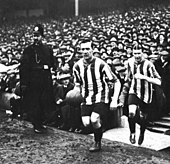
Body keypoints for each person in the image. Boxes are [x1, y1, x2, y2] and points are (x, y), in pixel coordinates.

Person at [73, 39, 121, 152]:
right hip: (86, 98)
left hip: (101, 96)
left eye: (87, 49)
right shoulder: (77, 66)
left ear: (92, 50)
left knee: (94, 119)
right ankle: (100, 125)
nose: (85, 51)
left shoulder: (101, 64)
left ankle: (97, 142)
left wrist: (114, 99)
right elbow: (77, 83)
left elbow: (116, 81)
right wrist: (75, 92)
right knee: (86, 123)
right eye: (82, 49)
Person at [118, 44, 161, 145]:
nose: (137, 56)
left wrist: (144, 77)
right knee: (131, 113)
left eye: (138, 53)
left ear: (142, 53)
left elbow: (159, 81)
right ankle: (132, 133)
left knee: (143, 117)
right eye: (134, 54)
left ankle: (142, 132)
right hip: (134, 90)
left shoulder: (149, 64)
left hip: (146, 93)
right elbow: (128, 77)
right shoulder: (129, 62)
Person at [19, 24, 56, 134]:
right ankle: (36, 124)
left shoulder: (48, 49)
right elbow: (24, 67)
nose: (36, 38)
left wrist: (49, 67)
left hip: (45, 80)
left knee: (44, 102)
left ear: (42, 37)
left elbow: (52, 64)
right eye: (34, 36)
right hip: (33, 81)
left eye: (38, 36)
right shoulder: (28, 50)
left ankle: (41, 123)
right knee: (34, 103)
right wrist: (24, 83)